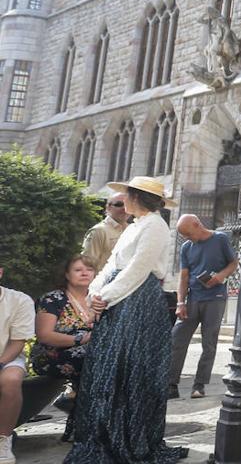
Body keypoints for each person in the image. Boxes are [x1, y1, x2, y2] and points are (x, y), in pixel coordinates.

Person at [66, 176, 186, 463]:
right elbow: (112, 264)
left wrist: (105, 297)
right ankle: (106, 430)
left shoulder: (156, 225)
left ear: (137, 198)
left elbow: (139, 269)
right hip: (118, 299)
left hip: (139, 300)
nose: (123, 202)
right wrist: (95, 291)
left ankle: (130, 434)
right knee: (112, 364)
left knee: (130, 366)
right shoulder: (136, 225)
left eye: (127, 197)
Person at [167, 214, 237, 400]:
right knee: (177, 340)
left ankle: (199, 385)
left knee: (209, 343)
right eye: (185, 236)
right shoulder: (186, 247)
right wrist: (180, 303)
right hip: (193, 299)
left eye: (189, 234)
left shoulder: (220, 239)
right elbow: (183, 277)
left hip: (215, 297)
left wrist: (220, 276)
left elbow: (233, 263)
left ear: (198, 225)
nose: (189, 239)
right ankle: (171, 384)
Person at [31, 255, 98, 436]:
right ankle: (85, 421)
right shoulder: (52, 299)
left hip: (90, 353)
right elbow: (45, 336)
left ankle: (80, 413)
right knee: (95, 360)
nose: (84, 273)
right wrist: (80, 340)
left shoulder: (99, 298)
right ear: (67, 275)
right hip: (52, 355)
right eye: (78, 270)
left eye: (89, 269)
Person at [0, 265, 35, 464]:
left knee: (11, 380)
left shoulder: (19, 300)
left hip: (8, 357)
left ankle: (3, 441)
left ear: (0, 272)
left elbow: (17, 343)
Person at [80, 194, 129, 273]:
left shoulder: (132, 230)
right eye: (119, 205)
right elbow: (87, 264)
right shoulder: (99, 231)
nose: (124, 208)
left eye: (127, 204)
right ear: (108, 207)